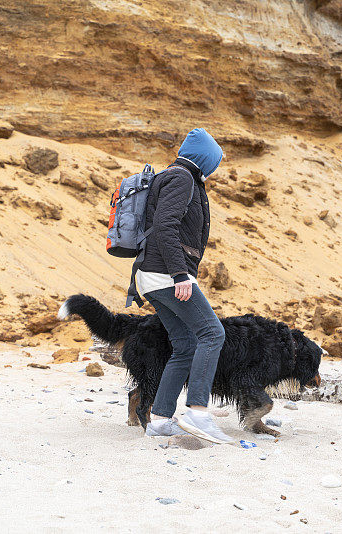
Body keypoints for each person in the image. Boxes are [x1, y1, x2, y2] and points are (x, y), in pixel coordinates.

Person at [135, 128, 232, 443]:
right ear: (205, 159)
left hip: (152, 274)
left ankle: (161, 420)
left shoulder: (173, 176)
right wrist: (180, 274)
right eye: (213, 161)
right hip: (166, 274)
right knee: (212, 333)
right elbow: (165, 226)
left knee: (186, 344)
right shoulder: (181, 179)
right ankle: (198, 413)